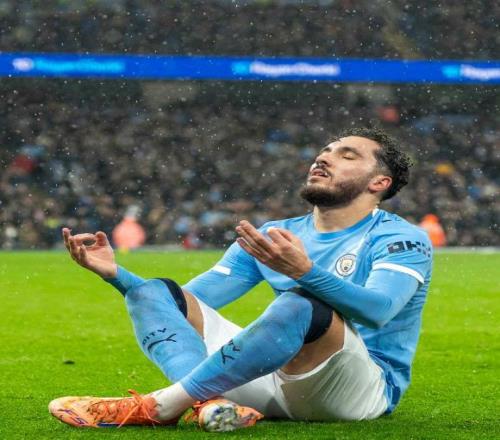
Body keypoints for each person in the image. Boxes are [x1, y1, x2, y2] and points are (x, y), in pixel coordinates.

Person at [49, 128, 433, 432]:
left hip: (352, 391)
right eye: (325, 151)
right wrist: (118, 277)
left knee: (299, 302)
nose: (324, 157)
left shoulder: (400, 238)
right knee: (155, 292)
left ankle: (162, 405)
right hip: (265, 378)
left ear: (378, 183)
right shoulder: (274, 234)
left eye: (347, 155)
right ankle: (210, 405)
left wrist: (305, 272)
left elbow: (379, 311)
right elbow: (183, 307)